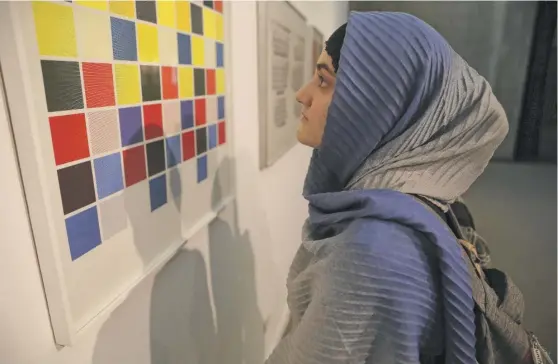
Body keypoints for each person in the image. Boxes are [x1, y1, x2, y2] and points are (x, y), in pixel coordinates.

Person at [265, 11, 509, 364]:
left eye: (323, 81)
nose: (303, 95)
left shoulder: (370, 252)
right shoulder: (409, 205)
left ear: (375, 104)